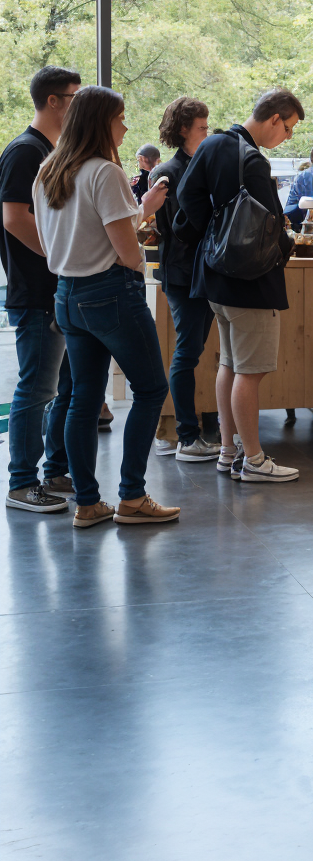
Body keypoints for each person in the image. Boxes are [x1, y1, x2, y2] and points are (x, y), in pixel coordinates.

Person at [32, 86, 176, 529]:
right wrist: (144, 216)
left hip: (67, 295)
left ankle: (89, 502)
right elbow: (128, 252)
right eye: (120, 118)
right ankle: (132, 496)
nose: (126, 127)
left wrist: (136, 216)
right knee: (151, 390)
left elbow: (61, 238)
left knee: (82, 399)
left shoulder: (47, 171)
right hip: (111, 294)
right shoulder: (105, 173)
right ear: (101, 123)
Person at [175, 88, 304, 484]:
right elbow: (272, 223)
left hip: (215, 279)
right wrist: (288, 243)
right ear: (273, 119)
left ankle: (229, 451)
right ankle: (254, 460)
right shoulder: (253, 162)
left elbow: (185, 194)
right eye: (289, 128)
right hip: (251, 282)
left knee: (229, 364)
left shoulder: (213, 144)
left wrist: (210, 234)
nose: (287, 137)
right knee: (250, 372)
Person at [2, 65, 81, 513]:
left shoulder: (48, 150)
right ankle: (20, 483)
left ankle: (54, 471)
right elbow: (13, 217)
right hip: (36, 292)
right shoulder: (25, 151)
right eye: (74, 96)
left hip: (57, 290)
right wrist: (58, 257)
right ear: (54, 101)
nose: (79, 105)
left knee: (63, 386)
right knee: (37, 389)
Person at [148, 96, 220, 463]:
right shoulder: (170, 174)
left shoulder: (198, 166)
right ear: (183, 130)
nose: (207, 133)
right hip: (182, 273)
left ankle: (189, 435)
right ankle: (188, 437)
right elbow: (180, 229)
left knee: (190, 353)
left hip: (201, 273)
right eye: (202, 128)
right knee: (187, 354)